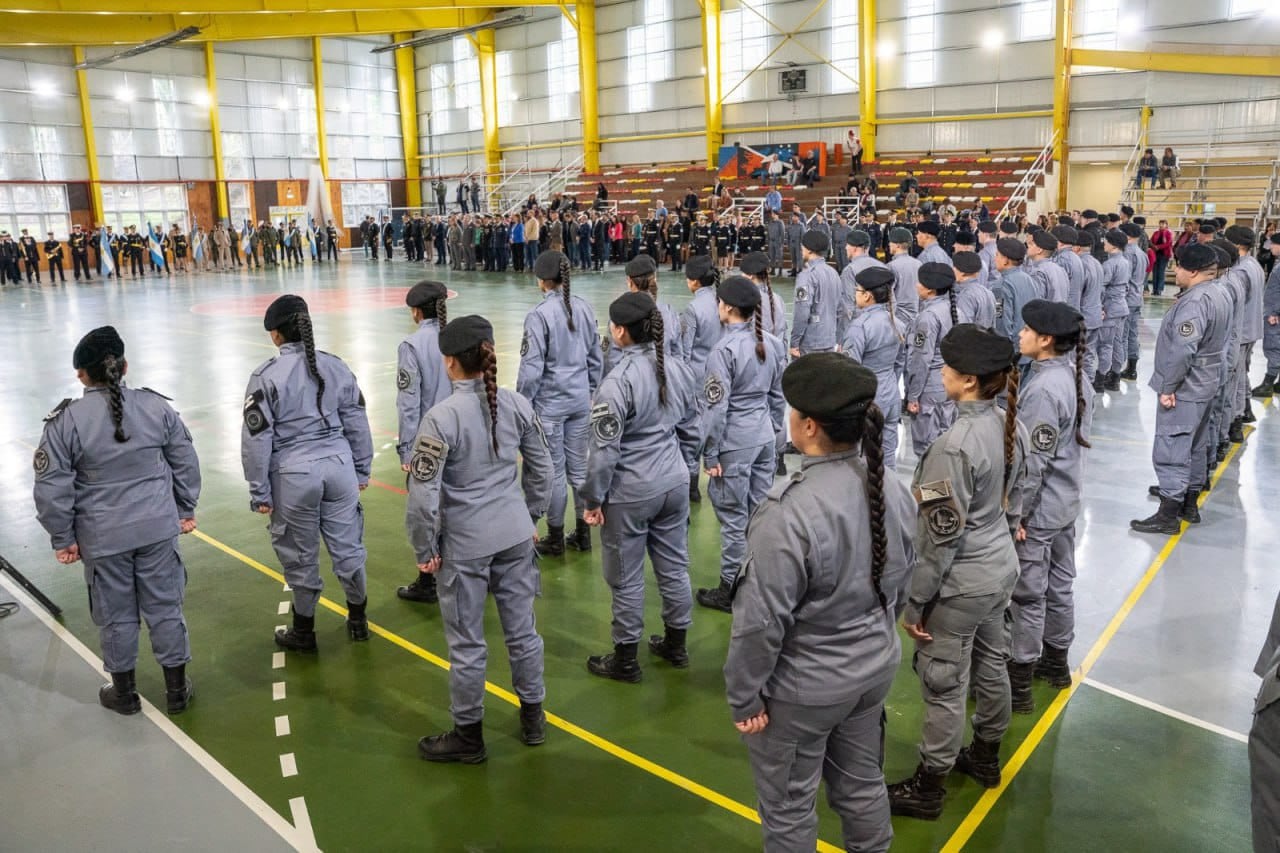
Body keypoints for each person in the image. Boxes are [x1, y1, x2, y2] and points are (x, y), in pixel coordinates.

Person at [726, 353, 915, 853]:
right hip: (872, 671)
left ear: (808, 426)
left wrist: (745, 697)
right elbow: (900, 585)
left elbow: (759, 624)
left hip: (804, 689)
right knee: (861, 785)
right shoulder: (891, 490)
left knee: (788, 808)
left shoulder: (788, 512)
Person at [888, 324, 1026, 820]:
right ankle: (986, 756)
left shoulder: (954, 445)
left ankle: (930, 785)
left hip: (961, 582)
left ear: (968, 381)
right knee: (991, 663)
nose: (939, 372)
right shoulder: (1011, 422)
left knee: (944, 683)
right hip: (998, 570)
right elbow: (1020, 493)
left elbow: (937, 538)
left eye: (947, 367)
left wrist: (916, 601)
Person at [407, 315, 554, 763]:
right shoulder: (516, 404)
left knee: (468, 643)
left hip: (466, 545)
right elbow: (544, 469)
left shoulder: (440, 419)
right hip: (514, 537)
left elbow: (422, 497)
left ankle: (469, 735)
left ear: (450, 363)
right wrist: (528, 516)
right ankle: (533, 718)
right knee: (523, 632)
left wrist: (424, 549)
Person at [33, 326, 201, 715]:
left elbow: (51, 486)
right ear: (125, 366)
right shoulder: (157, 408)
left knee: (115, 613)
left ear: (81, 374)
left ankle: (123, 693)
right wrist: (184, 509)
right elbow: (185, 462)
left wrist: (63, 537)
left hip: (103, 537)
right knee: (165, 606)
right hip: (158, 528)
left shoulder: (65, 423)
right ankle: (176, 689)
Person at [242, 295, 374, 651]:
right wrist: (362, 467)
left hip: (294, 475)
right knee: (348, 547)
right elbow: (357, 421)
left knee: (300, 555)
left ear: (275, 336)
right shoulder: (337, 366)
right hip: (340, 467)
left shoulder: (265, 377)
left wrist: (260, 492)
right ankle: (358, 619)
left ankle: (304, 631)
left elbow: (257, 440)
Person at [580, 292, 698, 681]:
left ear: (619, 332)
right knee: (674, 564)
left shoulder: (617, 382)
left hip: (631, 490)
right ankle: (676, 644)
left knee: (626, 576)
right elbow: (692, 428)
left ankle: (626, 659)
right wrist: (684, 466)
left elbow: (603, 451)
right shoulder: (677, 368)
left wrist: (593, 498)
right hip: (674, 479)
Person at [1008, 301, 1092, 715]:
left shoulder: (1043, 389)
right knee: (1060, 582)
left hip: (1041, 506)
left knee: (1027, 592)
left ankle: (1019, 677)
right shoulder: (1072, 374)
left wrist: (1018, 513)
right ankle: (1056, 661)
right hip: (1066, 497)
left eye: (1026, 330)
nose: (1020, 335)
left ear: (1044, 340)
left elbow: (1033, 461)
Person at [695, 276, 786, 612]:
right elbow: (778, 396)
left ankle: (730, 587)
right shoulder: (772, 343)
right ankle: (758, 578)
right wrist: (774, 432)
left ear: (728, 307)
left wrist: (711, 451)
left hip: (735, 441)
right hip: (762, 435)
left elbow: (716, 408)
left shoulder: (724, 351)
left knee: (734, 518)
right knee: (758, 513)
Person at [1130, 244, 1231, 534]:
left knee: (1172, 447)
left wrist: (1169, 386)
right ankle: (1189, 504)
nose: (1176, 272)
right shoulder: (1219, 292)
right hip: (1207, 381)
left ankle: (1168, 514)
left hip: (1186, 386)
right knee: (1196, 445)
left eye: (1179, 267)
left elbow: (1184, 349)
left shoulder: (1195, 302)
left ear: (1193, 271)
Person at [518, 251, 604, 555]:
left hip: (551, 404)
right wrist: (591, 389)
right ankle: (583, 533)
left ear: (542, 280)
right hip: (580, 399)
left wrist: (522, 404)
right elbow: (596, 357)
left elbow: (531, 369)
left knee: (553, 471)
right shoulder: (583, 308)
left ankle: (554, 536)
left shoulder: (539, 315)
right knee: (579, 468)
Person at [391, 282, 454, 605]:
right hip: (463, 434)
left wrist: (406, 448)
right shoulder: (458, 338)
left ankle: (429, 577)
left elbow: (409, 401)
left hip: (429, 441)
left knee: (427, 508)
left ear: (416, 312)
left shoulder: (412, 346)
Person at [843, 266, 905, 468]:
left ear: (868, 296)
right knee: (887, 455)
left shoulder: (860, 326)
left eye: (858, 290)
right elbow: (899, 363)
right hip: (890, 394)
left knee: (861, 459)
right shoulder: (897, 323)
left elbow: (851, 370)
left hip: (867, 400)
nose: (855, 294)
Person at [905, 263, 960, 455]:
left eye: (919, 282)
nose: (916, 286)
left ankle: (930, 486)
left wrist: (913, 396)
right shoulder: (955, 310)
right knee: (944, 445)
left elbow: (921, 360)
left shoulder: (928, 317)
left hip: (929, 388)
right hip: (949, 384)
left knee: (926, 450)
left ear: (929, 289)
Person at [790, 231, 846, 356]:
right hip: (830, 339)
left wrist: (794, 342)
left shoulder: (806, 276)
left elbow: (802, 311)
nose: (801, 249)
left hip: (810, 341)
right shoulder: (834, 273)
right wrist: (839, 338)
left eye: (802, 247)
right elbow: (841, 310)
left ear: (809, 250)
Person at [1097, 229, 1132, 391]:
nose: (1104, 243)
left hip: (1110, 308)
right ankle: (1115, 376)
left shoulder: (1109, 264)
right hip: (1122, 307)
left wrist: (1099, 306)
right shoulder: (1125, 261)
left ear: (1114, 245)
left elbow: (1102, 288)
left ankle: (1100, 379)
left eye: (1107, 241)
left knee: (1105, 345)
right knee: (1118, 343)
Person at [1253, 232, 1280, 398]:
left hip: (1275, 315)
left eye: (1273, 245)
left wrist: (1274, 311)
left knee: (1274, 346)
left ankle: (1268, 383)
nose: (1270, 248)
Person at [952, 252, 996, 326]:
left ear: (961, 272)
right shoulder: (988, 292)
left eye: (954, 267)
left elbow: (963, 328)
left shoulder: (965, 296)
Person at [1150, 219, 1174, 295]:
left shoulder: (1168, 233)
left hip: (1164, 255)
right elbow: (1151, 241)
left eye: (1163, 224)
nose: (1161, 225)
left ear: (1166, 225)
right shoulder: (1155, 233)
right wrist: (1153, 246)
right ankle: (1154, 289)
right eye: (1160, 224)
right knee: (1155, 272)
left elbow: (1168, 243)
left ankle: (1159, 289)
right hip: (1155, 254)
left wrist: (1158, 247)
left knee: (1161, 272)